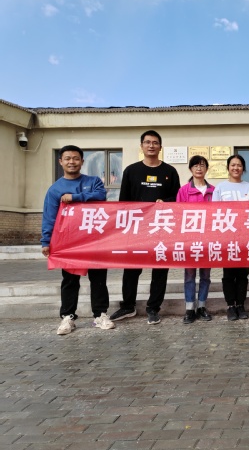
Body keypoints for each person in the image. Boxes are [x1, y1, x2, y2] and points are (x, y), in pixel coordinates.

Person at [41, 145, 114, 335]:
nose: (71, 162)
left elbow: (101, 195)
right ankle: (68, 317)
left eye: (75, 158)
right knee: (70, 280)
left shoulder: (93, 181)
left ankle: (100, 315)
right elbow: (49, 217)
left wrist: (75, 197)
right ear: (61, 162)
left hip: (95, 239)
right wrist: (46, 241)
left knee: (99, 278)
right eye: (67, 158)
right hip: (69, 242)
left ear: (82, 161)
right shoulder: (55, 189)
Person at [110, 130, 181, 325]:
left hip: (162, 228)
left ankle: (153, 308)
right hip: (136, 228)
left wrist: (165, 202)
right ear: (141, 146)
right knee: (131, 268)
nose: (151, 145)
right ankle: (128, 306)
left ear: (160, 147)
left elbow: (178, 199)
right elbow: (123, 202)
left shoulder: (170, 171)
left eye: (155, 143)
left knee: (160, 269)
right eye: (147, 142)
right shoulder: (131, 171)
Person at [213, 154, 249, 321]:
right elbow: (214, 213)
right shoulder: (220, 187)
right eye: (233, 165)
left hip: (244, 237)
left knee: (243, 273)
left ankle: (241, 305)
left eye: (239, 165)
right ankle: (231, 305)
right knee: (229, 274)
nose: (236, 168)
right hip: (227, 237)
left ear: (243, 168)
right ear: (228, 167)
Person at [176, 155, 215, 324]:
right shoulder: (184, 191)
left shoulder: (213, 190)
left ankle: (202, 306)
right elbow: (178, 215)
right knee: (189, 275)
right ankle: (190, 308)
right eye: (196, 166)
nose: (199, 168)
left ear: (207, 169)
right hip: (190, 240)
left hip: (208, 239)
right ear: (191, 169)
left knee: (206, 275)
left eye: (202, 165)